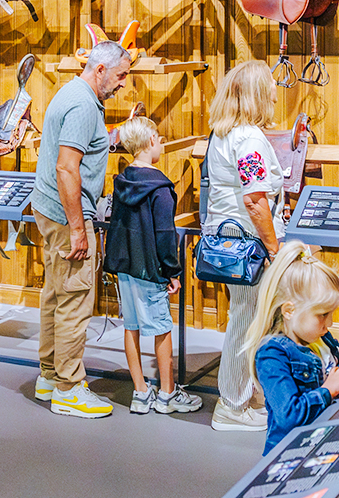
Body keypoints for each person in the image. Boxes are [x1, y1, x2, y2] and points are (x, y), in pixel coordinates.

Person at [31, 39, 133, 418]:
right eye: (120, 75)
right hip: (67, 215)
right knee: (75, 299)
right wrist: (78, 227)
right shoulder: (82, 106)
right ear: (100, 69)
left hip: (50, 208)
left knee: (56, 294)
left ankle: (49, 375)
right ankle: (69, 389)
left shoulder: (74, 93)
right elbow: (66, 167)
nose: (123, 83)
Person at [203, 60, 286, 431]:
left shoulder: (224, 132)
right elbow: (254, 200)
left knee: (249, 317)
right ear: (257, 93)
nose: (275, 91)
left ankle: (245, 396)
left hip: (233, 237)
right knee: (247, 320)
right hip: (249, 242)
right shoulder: (249, 138)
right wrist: (274, 248)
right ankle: (232, 405)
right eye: (270, 85)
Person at [102, 116, 203, 416]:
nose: (160, 143)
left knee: (131, 326)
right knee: (162, 328)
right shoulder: (160, 187)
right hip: (151, 270)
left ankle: (140, 392)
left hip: (125, 268)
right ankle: (168, 394)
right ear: (149, 142)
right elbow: (165, 235)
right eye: (158, 138)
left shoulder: (122, 181)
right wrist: (172, 272)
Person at [244, 241, 339, 452]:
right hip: (292, 455)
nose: (329, 324)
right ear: (289, 311)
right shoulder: (272, 354)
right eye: (323, 315)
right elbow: (289, 415)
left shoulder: (319, 338)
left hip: (327, 445)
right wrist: (329, 390)